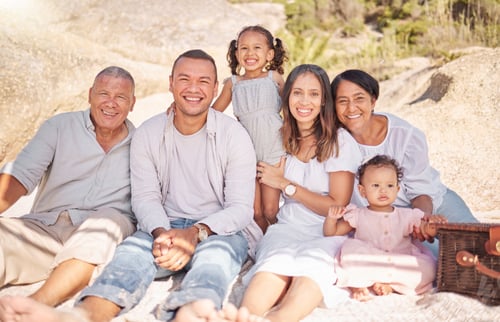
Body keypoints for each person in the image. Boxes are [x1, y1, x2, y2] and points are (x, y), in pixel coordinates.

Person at [0, 49, 265, 322]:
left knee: (215, 261)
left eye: (203, 81)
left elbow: (239, 208)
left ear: (214, 88)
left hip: (218, 229)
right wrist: (162, 232)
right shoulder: (149, 133)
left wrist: (196, 232)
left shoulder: (233, 136)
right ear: (171, 83)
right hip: (163, 223)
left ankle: (191, 312)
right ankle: (82, 316)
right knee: (128, 259)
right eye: (184, 79)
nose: (193, 88)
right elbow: (146, 197)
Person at [0, 66, 137, 307]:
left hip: (100, 236)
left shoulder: (143, 143)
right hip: (45, 229)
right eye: (103, 94)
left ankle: (32, 308)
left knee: (108, 219)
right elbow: (20, 176)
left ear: (132, 103)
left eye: (121, 97)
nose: (111, 103)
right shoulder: (59, 127)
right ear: (90, 95)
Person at [240, 64, 362, 322]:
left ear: (324, 101)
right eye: (297, 93)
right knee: (270, 269)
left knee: (310, 274)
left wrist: (286, 185)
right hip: (288, 227)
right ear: (287, 97)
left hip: (328, 231)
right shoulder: (282, 137)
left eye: (314, 94)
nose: (304, 101)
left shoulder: (339, 142)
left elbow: (335, 205)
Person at [330, 69, 478, 254]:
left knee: (482, 245)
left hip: (432, 202)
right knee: (447, 260)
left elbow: (422, 191)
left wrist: (422, 220)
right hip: (392, 221)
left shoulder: (405, 135)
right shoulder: (337, 141)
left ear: (373, 100)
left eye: (359, 98)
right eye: (342, 101)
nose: (351, 108)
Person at [324, 155, 447, 301]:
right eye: (376, 186)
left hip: (400, 260)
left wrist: (435, 224)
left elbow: (426, 229)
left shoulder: (407, 215)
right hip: (371, 259)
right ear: (362, 191)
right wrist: (331, 219)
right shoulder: (357, 214)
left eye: (389, 186)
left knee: (429, 267)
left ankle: (388, 284)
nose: (383, 191)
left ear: (397, 189)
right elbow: (332, 233)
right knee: (349, 253)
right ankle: (359, 285)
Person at [212, 25, 288, 233]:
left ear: (269, 54)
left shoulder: (274, 78)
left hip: (274, 149)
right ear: (236, 54)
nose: (250, 53)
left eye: (257, 48)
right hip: (246, 152)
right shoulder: (233, 83)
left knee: (271, 209)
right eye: (244, 48)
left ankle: (277, 241)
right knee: (255, 212)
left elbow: (291, 111)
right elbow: (213, 113)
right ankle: (261, 245)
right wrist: (181, 109)